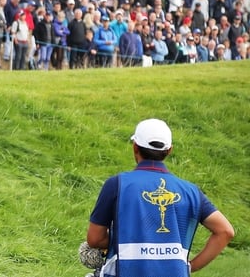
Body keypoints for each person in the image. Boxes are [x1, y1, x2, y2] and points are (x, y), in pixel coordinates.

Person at [87, 118, 234, 277]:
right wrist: (190, 266)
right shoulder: (190, 191)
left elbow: (95, 239)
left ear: (135, 147)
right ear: (169, 150)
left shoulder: (117, 184)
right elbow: (225, 231)